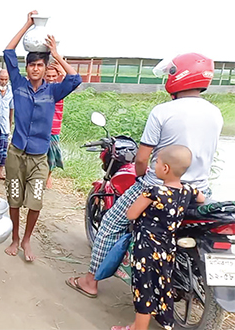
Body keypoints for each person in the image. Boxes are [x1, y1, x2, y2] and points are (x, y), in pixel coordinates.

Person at [66, 52, 223, 298]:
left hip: (159, 185)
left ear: (177, 76)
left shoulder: (163, 111)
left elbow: (141, 158)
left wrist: (141, 178)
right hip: (198, 190)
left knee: (110, 224)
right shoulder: (216, 113)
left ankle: (89, 282)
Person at [3, 10, 82, 262]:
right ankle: (15, 237)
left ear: (46, 67)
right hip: (16, 155)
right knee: (14, 198)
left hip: (39, 157)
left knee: (35, 201)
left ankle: (27, 239)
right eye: (32, 65)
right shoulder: (18, 84)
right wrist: (27, 24)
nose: (36, 69)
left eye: (40, 65)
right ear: (26, 68)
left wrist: (57, 54)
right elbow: (8, 52)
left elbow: (76, 78)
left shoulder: (54, 91)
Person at [112, 145, 204, 330]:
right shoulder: (188, 191)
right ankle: (144, 323)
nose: (154, 166)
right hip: (167, 249)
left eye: (157, 162)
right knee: (160, 283)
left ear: (165, 169)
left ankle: (139, 328)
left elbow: (131, 214)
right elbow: (201, 198)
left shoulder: (154, 192)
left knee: (143, 287)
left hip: (146, 248)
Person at [45, 62, 67, 188]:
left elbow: (72, 83)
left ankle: (48, 176)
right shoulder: (41, 88)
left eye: (54, 76)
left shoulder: (60, 89)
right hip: (41, 128)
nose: (51, 79)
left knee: (52, 156)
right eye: (49, 76)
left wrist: (62, 71)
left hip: (54, 128)